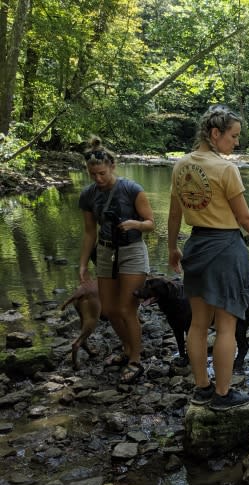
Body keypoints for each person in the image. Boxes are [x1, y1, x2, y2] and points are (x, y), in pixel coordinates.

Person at [168, 105, 249, 411]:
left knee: (197, 324)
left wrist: (172, 248)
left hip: (196, 246)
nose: (236, 143)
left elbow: (174, 213)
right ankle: (222, 394)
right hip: (225, 249)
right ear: (215, 133)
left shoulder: (180, 166)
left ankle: (201, 389)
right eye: (233, 136)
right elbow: (244, 218)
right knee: (225, 327)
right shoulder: (226, 169)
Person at [78, 136, 155, 383]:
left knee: (125, 308)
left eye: (102, 173)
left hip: (132, 250)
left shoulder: (132, 189)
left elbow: (151, 223)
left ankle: (136, 360)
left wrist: (136, 224)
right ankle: (126, 348)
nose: (98, 179)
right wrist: (82, 264)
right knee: (110, 310)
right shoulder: (88, 195)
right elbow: (90, 232)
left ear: (112, 166)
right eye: (93, 175)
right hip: (105, 252)